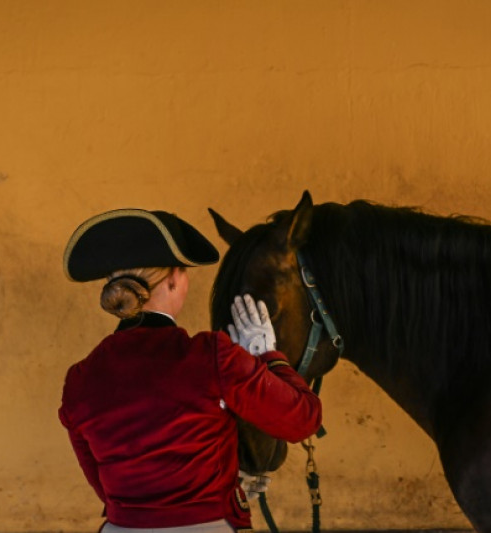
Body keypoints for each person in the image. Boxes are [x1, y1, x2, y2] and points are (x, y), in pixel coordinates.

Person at [58, 208, 323, 533]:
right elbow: (304, 420)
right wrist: (268, 355)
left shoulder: (79, 380)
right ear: (173, 279)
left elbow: (104, 485)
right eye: (184, 273)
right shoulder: (212, 356)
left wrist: (226, 478)